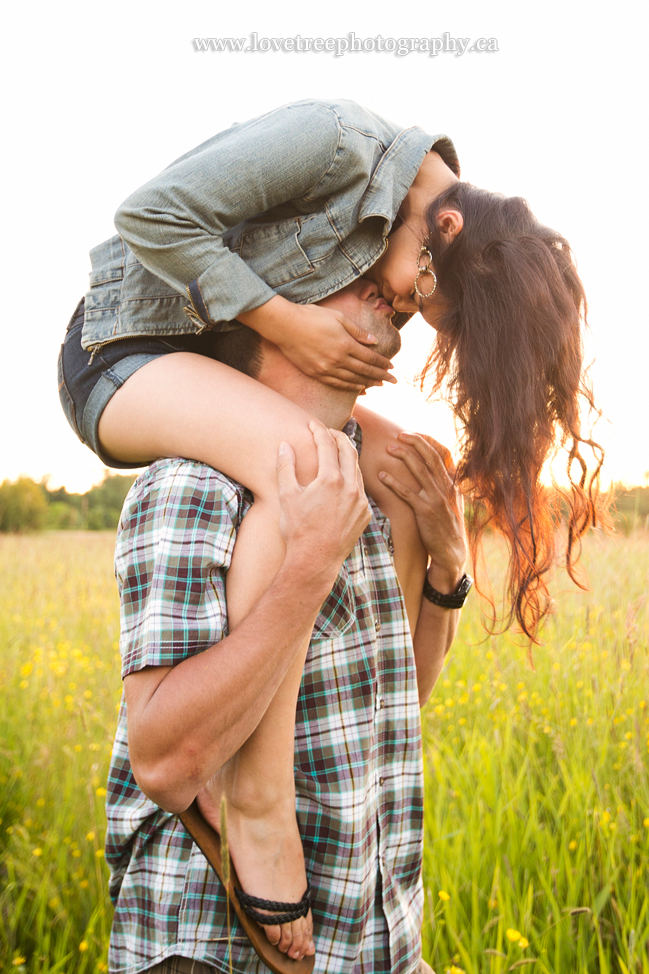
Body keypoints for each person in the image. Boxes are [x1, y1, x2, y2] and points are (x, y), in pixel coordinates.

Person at [106, 277, 467, 974]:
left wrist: (447, 570)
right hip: (219, 941)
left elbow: (396, 706)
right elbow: (166, 758)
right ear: (278, 320)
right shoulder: (193, 484)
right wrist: (307, 564)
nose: (383, 285)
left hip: (371, 936)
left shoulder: (369, 491)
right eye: (345, 275)